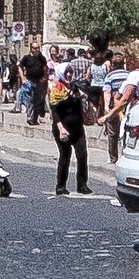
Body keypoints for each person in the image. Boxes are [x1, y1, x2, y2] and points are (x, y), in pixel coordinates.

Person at [48, 66, 90, 194]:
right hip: (62, 128)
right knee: (65, 157)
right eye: (66, 72)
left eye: (71, 72)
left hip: (77, 128)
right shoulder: (56, 90)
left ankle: (82, 185)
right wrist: (61, 129)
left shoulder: (75, 87)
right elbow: (54, 112)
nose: (69, 75)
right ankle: (60, 186)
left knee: (82, 156)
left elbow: (84, 99)